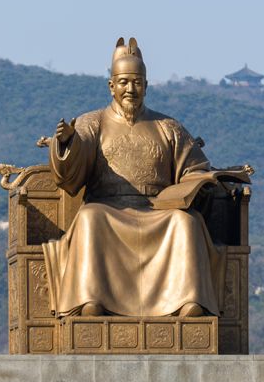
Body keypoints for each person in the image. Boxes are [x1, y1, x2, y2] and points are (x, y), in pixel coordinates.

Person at [43, 37, 228, 319]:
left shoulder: (168, 127)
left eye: (137, 82)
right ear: (111, 86)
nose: (131, 89)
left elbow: (193, 167)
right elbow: (69, 178)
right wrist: (69, 144)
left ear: (146, 85)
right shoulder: (92, 123)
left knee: (186, 223)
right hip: (108, 208)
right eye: (124, 82)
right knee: (90, 218)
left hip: (158, 210)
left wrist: (201, 179)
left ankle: (187, 301)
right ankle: (90, 299)